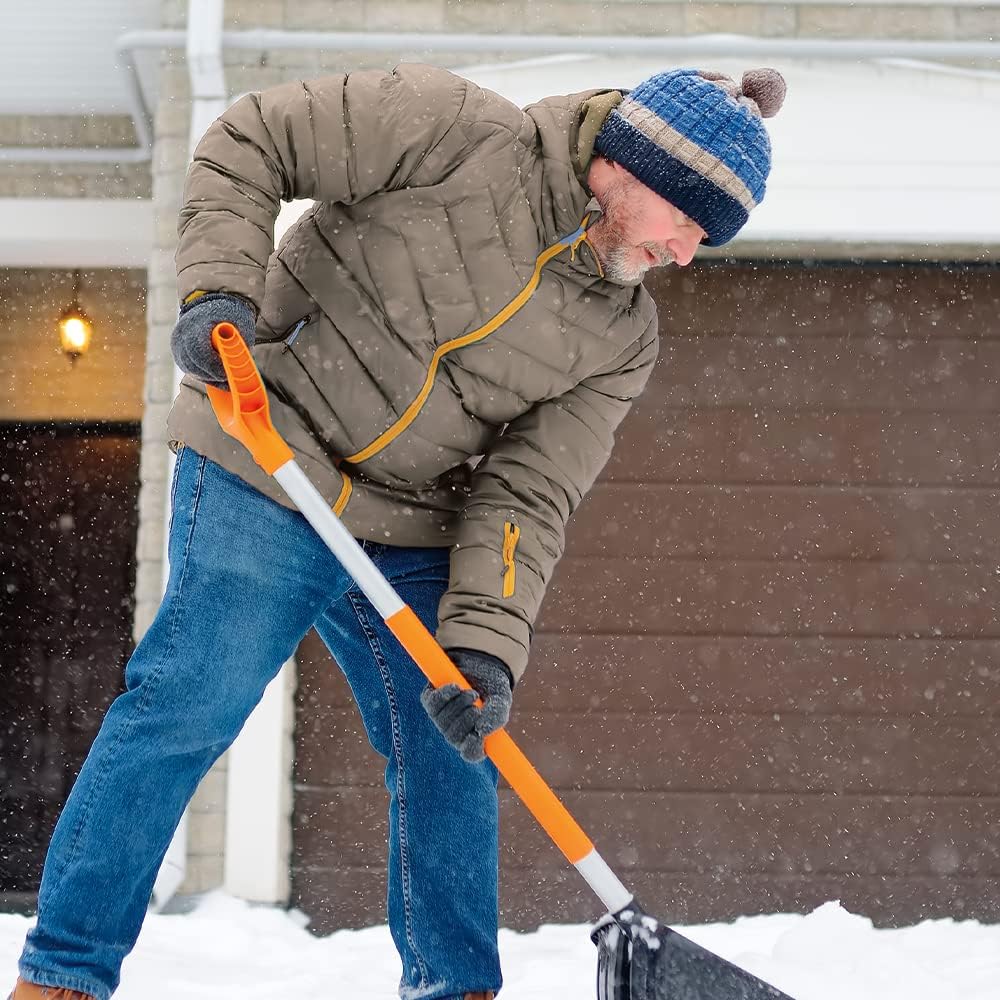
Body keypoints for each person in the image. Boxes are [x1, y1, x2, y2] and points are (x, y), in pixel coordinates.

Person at [10, 62, 784, 1000]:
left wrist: (485, 649)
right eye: (691, 224)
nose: (689, 254)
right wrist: (221, 291)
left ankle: (455, 987)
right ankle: (65, 977)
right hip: (268, 449)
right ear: (638, 169)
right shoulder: (452, 129)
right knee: (188, 703)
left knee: (453, 750)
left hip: (415, 518)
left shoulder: (621, 337)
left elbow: (529, 492)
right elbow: (250, 138)